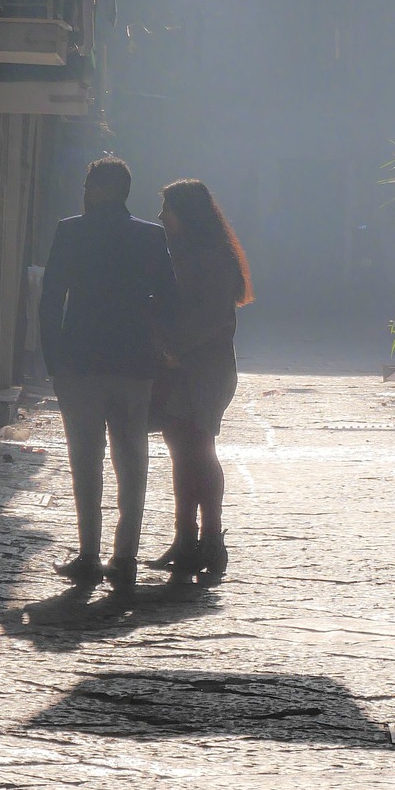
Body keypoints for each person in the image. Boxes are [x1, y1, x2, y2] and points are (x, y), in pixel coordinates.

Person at [39, 155, 177, 592]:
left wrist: (52, 359)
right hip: (134, 365)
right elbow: (169, 300)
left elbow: (50, 300)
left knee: (86, 459)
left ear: (97, 189)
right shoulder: (151, 238)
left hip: (79, 363)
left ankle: (88, 554)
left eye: (87, 184)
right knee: (132, 459)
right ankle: (125, 556)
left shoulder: (71, 231)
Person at [148, 178, 251, 582]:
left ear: (186, 214)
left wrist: (174, 348)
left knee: (199, 448)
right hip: (184, 367)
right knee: (183, 451)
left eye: (167, 208)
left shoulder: (210, 260)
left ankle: (210, 538)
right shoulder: (187, 254)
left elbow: (207, 318)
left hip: (203, 370)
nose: (161, 217)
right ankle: (187, 537)